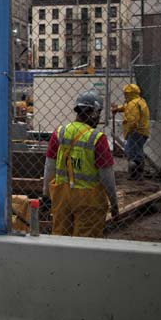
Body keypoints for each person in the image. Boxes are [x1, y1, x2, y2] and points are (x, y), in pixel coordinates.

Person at [43, 91, 119, 238]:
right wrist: (114, 203)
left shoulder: (59, 133)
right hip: (88, 199)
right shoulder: (97, 138)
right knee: (86, 243)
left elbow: (49, 167)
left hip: (61, 196)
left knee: (60, 239)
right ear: (95, 112)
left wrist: (46, 194)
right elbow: (107, 176)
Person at [111, 83, 150, 180]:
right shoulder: (140, 101)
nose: (124, 96)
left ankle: (135, 174)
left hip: (135, 132)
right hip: (142, 132)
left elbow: (133, 118)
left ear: (129, 94)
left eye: (125, 94)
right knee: (137, 151)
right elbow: (126, 107)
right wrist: (118, 109)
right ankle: (138, 173)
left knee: (131, 152)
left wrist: (130, 127)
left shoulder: (132, 104)